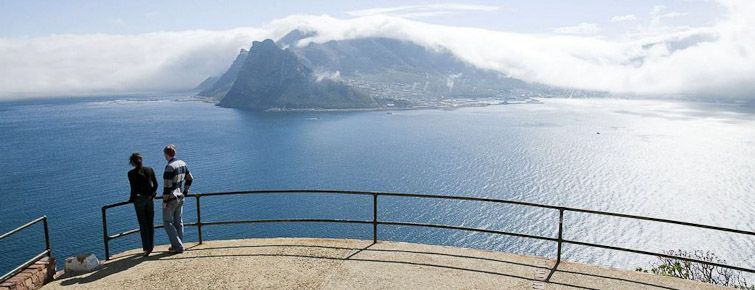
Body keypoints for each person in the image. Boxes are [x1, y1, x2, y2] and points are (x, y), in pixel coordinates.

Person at [162, 144, 193, 253]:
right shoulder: (182, 163)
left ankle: (178, 246)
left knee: (167, 222)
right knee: (178, 222)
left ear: (166, 154)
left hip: (171, 198)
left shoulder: (170, 167)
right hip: (181, 197)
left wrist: (165, 201)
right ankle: (177, 244)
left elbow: (167, 187)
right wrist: (185, 191)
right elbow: (190, 179)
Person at [127, 153, 158, 257]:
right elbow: (156, 184)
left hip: (139, 200)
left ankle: (146, 247)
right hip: (150, 199)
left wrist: (131, 199)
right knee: (150, 223)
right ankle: (151, 246)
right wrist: (152, 194)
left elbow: (133, 189)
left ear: (132, 162)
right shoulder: (150, 169)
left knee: (143, 224)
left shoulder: (131, 173)